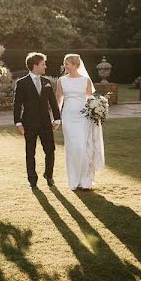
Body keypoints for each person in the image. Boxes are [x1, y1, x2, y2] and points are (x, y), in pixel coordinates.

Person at [55, 53, 105, 191]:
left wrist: (96, 110)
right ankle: (74, 180)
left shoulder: (85, 80)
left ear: (75, 65)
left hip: (84, 116)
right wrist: (56, 117)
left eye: (67, 63)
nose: (64, 66)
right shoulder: (61, 80)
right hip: (68, 117)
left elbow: (90, 99)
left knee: (84, 147)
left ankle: (85, 180)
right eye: (64, 63)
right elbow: (59, 100)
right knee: (72, 148)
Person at [13, 52, 61, 190]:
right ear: (35, 66)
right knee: (30, 152)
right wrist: (18, 122)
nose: (45, 66)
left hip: (46, 123)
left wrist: (57, 119)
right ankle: (32, 180)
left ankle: (49, 175)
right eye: (43, 64)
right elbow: (17, 105)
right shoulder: (22, 83)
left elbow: (53, 102)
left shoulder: (46, 82)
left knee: (50, 150)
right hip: (29, 123)